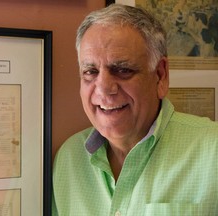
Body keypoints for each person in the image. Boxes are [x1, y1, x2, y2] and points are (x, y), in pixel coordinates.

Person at [52, 4, 218, 216]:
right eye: (90, 71)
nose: (104, 89)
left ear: (160, 76)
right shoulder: (69, 159)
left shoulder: (213, 151)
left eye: (122, 70)